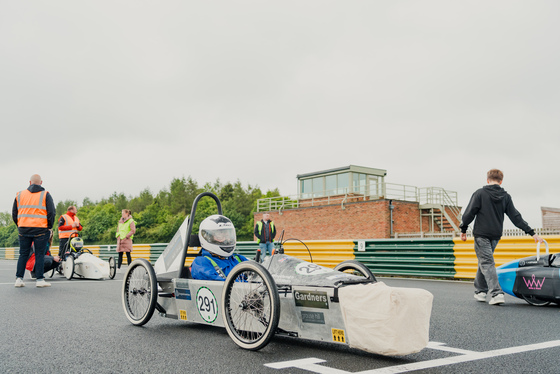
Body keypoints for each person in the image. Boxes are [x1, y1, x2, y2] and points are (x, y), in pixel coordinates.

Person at [459, 169, 543, 306]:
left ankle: (497, 293)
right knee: (485, 261)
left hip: (481, 234)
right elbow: (516, 217)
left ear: (487, 180)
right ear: (501, 181)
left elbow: (469, 213)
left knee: (487, 262)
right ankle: (480, 291)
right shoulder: (506, 196)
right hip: (495, 235)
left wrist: (463, 229)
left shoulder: (480, 193)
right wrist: (532, 232)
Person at [12, 174, 56, 288]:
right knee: (39, 254)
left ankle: (19, 279)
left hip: (23, 229)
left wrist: (20, 225)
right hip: (41, 229)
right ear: (41, 182)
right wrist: (49, 226)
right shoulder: (45, 194)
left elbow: (14, 213)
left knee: (23, 254)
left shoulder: (19, 194)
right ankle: (40, 280)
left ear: (29, 182)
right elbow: (51, 212)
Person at [191, 215, 248, 281]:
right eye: (221, 235)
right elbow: (221, 285)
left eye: (228, 235)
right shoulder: (201, 263)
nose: (227, 240)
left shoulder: (239, 259)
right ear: (208, 237)